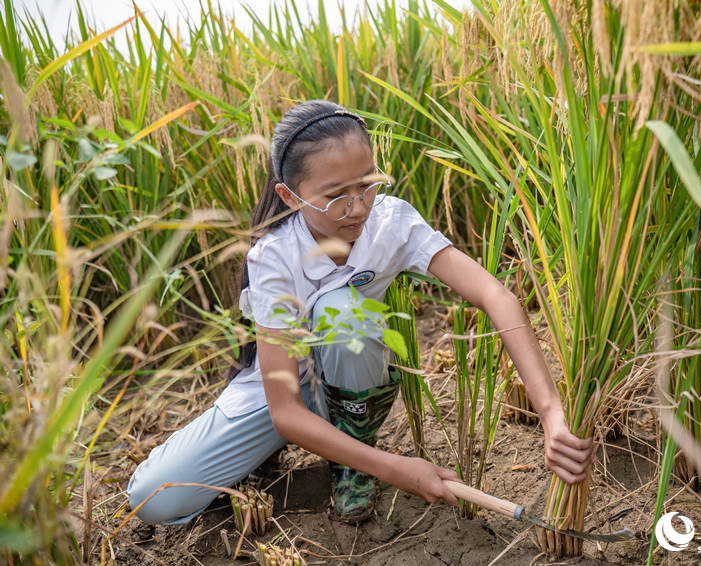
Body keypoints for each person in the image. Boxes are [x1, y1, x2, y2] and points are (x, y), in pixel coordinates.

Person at [126, 99, 594, 525]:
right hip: (285, 392)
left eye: (367, 185)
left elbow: (496, 297)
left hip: (354, 381)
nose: (357, 209)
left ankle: (353, 459)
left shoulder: (392, 221)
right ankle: (323, 453)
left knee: (344, 311)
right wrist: (402, 470)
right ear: (290, 196)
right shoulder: (273, 255)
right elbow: (285, 410)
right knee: (153, 499)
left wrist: (551, 413)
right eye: (336, 196)